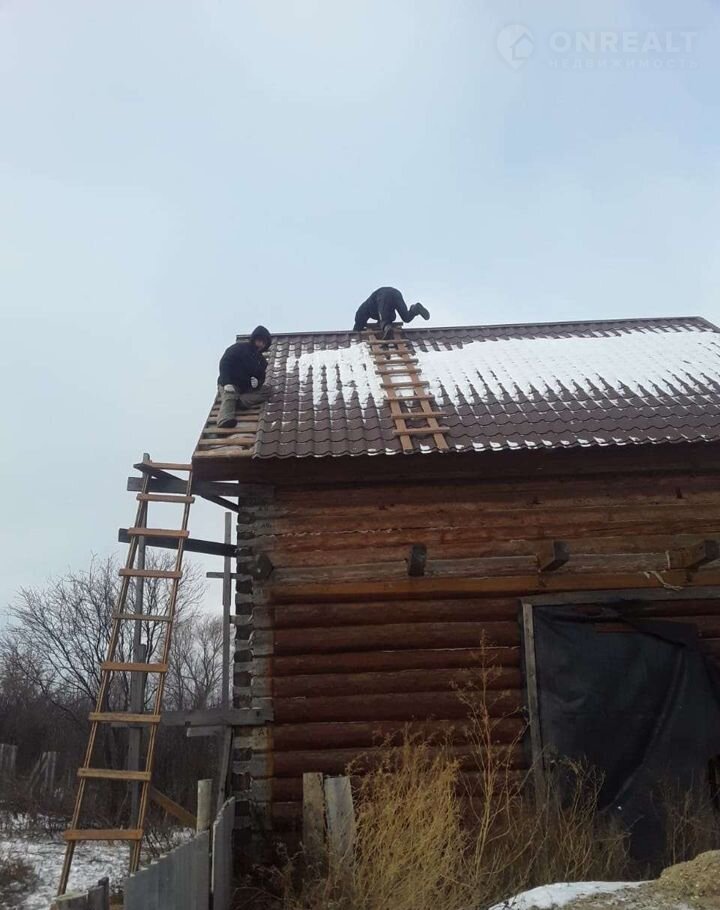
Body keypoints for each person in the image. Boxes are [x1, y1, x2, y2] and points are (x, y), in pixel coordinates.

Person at [216, 325, 273, 428]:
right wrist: (227, 382)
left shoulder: (261, 361)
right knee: (230, 395)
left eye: (264, 343)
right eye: (259, 341)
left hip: (246, 390)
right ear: (254, 339)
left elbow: (261, 377)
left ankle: (240, 401)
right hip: (231, 383)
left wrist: (257, 383)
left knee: (267, 391)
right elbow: (225, 362)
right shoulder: (239, 348)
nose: (261, 344)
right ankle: (225, 419)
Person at [353, 287, 430, 338]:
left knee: (384, 321)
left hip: (383, 295)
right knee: (406, 317)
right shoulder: (378, 310)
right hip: (396, 293)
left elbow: (358, 326)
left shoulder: (363, 310)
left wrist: (354, 335)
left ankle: (387, 329)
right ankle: (415, 308)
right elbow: (392, 317)